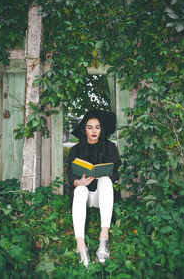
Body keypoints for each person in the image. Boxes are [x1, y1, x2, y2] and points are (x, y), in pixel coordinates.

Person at [68, 109, 121, 267]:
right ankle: (80, 245)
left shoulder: (110, 147)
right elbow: (70, 176)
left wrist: (103, 176)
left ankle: (104, 239)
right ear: (84, 129)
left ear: (101, 129)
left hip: (102, 196)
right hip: (83, 197)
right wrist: (79, 182)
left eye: (97, 127)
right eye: (90, 127)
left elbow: (116, 173)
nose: (94, 131)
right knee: (80, 190)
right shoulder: (75, 150)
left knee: (105, 180)